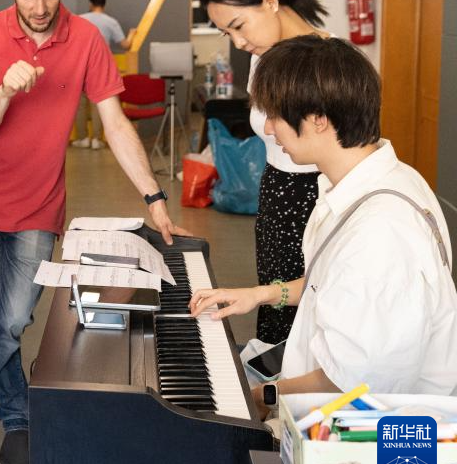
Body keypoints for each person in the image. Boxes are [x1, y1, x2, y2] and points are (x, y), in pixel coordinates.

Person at [0, 0, 187, 464]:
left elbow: (115, 123)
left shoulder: (86, 39)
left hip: (40, 204)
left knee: (12, 319)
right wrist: (4, 91)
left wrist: (153, 196)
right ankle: (17, 418)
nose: (40, 7)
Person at [190, 37, 457, 418]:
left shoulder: (380, 232)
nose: (269, 129)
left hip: (362, 432)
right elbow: (336, 285)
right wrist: (260, 295)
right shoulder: (376, 180)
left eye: (275, 116)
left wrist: (261, 396)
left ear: (318, 119)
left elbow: (351, 383)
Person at [200, 0, 332, 345]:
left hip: (318, 194)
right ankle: (275, 377)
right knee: (275, 303)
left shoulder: (330, 59)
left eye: (238, 26)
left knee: (318, 304)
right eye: (227, 33)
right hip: (276, 190)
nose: (238, 42)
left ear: (271, 3)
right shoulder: (262, 55)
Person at [72, 0, 129, 149]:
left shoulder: (79, 19)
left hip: (81, 65)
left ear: (90, 3)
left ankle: (82, 138)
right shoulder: (111, 22)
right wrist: (132, 34)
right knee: (98, 103)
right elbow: (125, 45)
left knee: (80, 104)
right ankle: (97, 139)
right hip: (101, 66)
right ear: (104, 3)